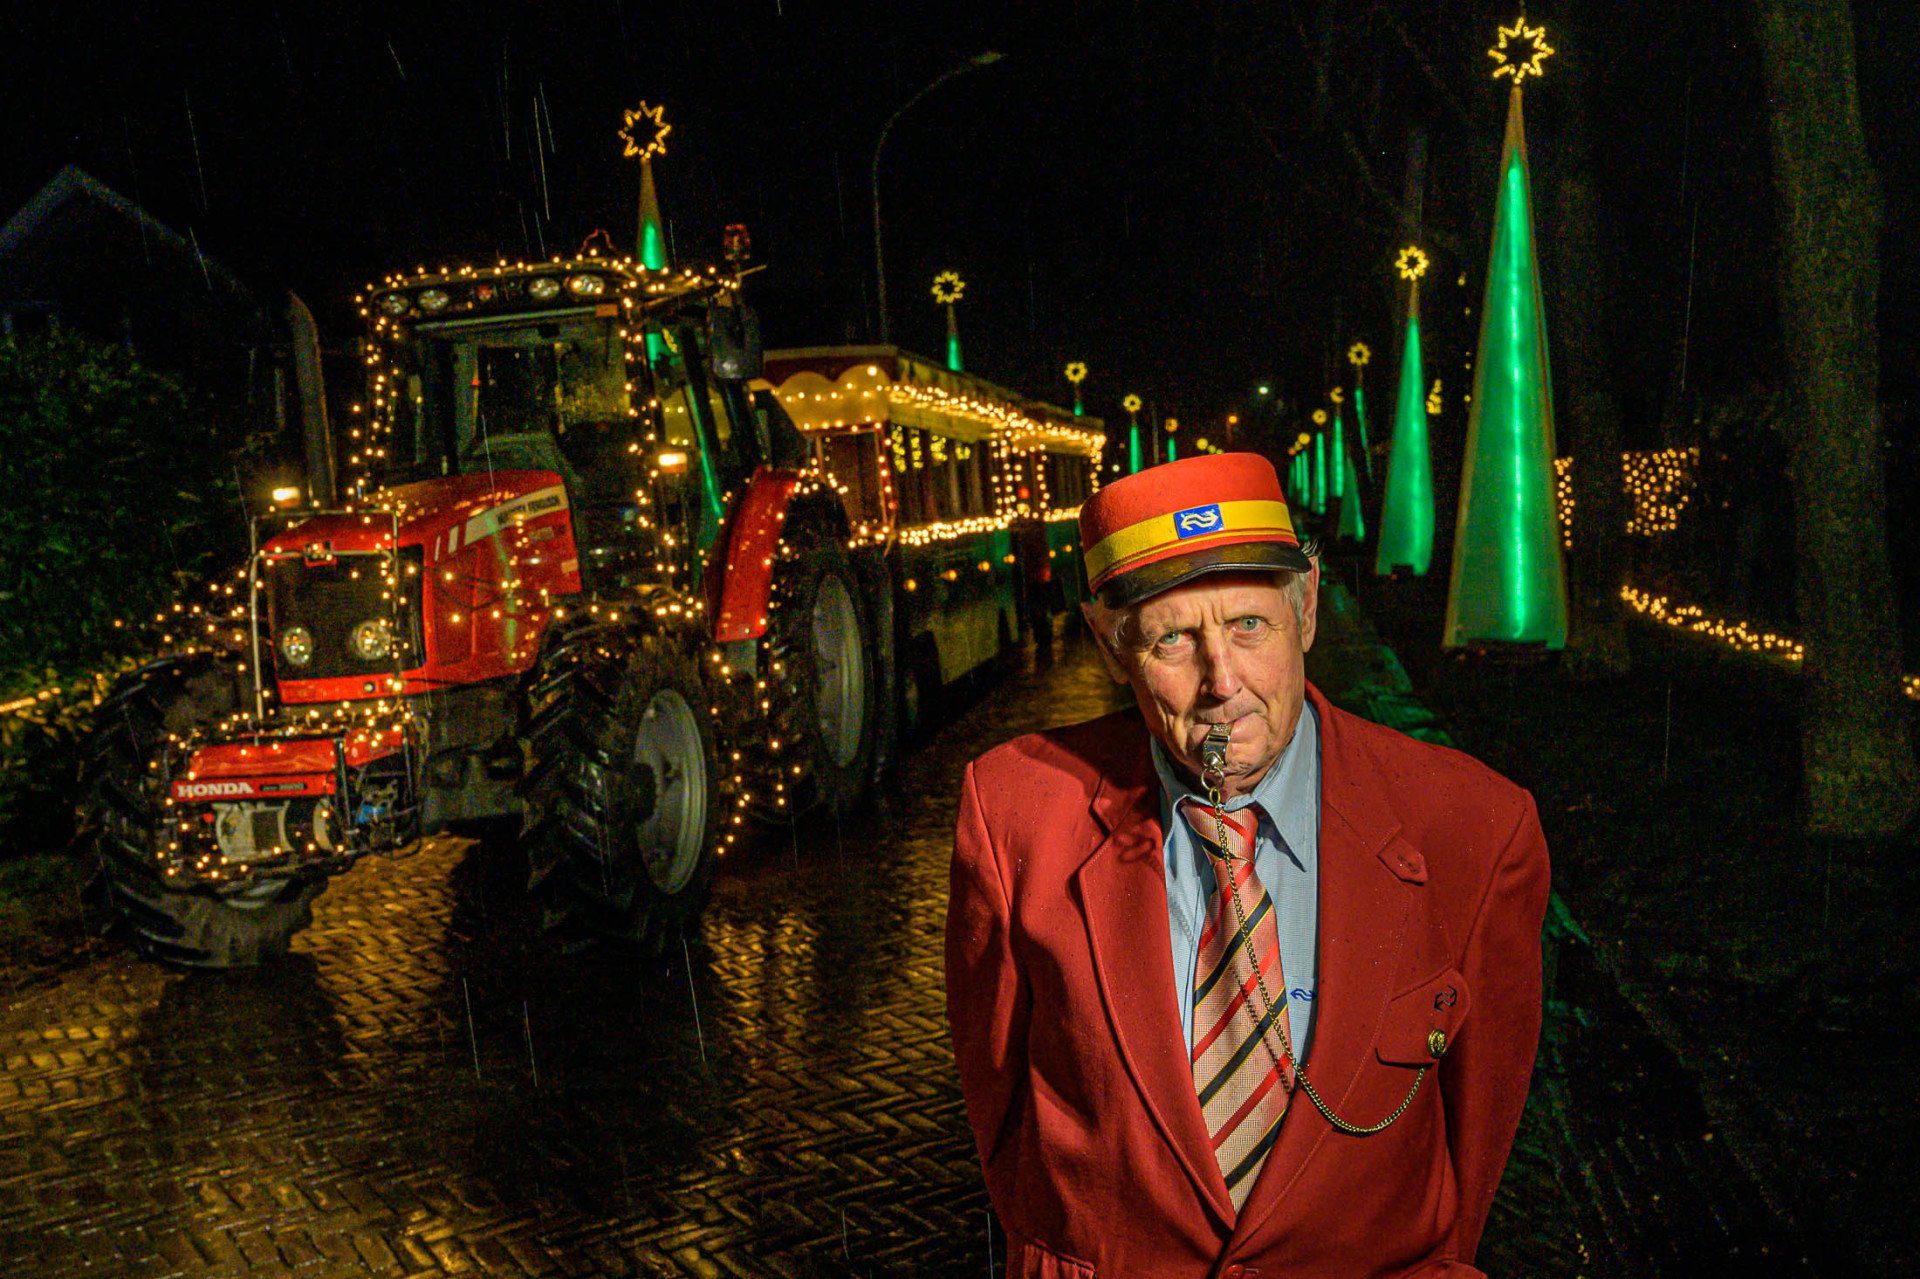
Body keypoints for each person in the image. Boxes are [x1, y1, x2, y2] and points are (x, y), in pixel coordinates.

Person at [945, 452, 1550, 1278]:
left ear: (1304, 609)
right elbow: (1001, 1110)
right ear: (1110, 642)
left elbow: (1475, 1141)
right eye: (1172, 639)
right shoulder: (1012, 810)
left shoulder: (1474, 828)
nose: (1221, 681)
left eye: (1248, 626)